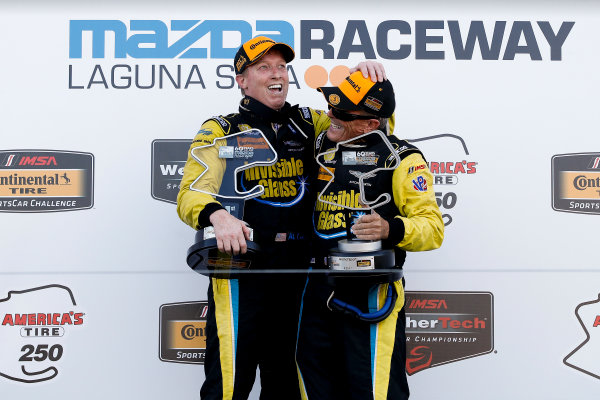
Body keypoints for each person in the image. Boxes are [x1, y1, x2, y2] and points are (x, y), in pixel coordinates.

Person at [177, 35, 385, 400]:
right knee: (228, 384)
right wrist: (217, 216)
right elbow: (189, 191)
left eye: (282, 67)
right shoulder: (220, 129)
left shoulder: (311, 122)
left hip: (300, 272)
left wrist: (363, 87)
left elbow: (369, 132)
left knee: (289, 384)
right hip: (242, 267)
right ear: (241, 79)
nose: (277, 75)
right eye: (264, 67)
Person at [295, 71, 445, 400]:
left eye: (343, 113)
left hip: (369, 290)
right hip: (316, 289)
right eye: (331, 106)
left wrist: (391, 228)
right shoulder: (323, 138)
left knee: (374, 391)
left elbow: (433, 228)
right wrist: (363, 72)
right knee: (312, 389)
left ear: (369, 125)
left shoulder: (402, 158)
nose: (331, 115)